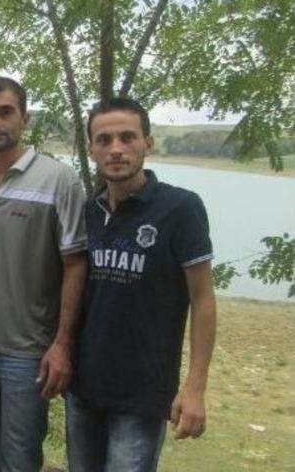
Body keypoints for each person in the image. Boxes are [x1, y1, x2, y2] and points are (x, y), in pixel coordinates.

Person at [66, 97, 216, 472]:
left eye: (127, 137)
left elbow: (203, 299)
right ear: (91, 149)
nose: (116, 149)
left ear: (147, 143)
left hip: (142, 394)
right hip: (84, 387)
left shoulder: (180, 209)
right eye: (104, 140)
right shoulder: (89, 211)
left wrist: (195, 387)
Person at [0, 76, 88, 472]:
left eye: (5, 112)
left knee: (20, 457)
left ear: (24, 119)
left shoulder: (58, 179)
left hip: (25, 350)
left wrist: (62, 344)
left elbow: (76, 263)